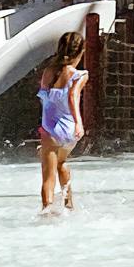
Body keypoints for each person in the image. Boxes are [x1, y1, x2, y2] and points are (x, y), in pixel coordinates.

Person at [35, 29, 87, 213]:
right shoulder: (80, 75)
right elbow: (73, 97)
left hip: (50, 128)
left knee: (48, 176)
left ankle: (47, 211)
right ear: (80, 52)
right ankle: (68, 204)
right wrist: (79, 123)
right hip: (69, 128)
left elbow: (45, 99)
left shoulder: (48, 72)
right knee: (62, 163)